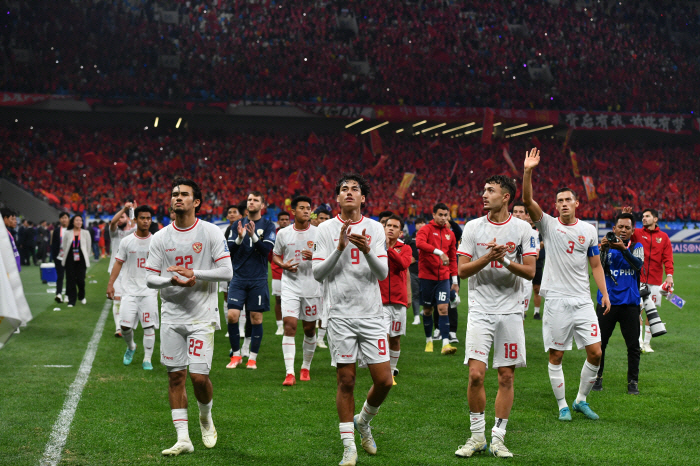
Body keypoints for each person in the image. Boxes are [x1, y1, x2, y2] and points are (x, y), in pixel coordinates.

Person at [145, 177, 232, 456]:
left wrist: (195, 275)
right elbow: (149, 278)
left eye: (183, 194)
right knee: (175, 377)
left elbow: (226, 272)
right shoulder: (160, 237)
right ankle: (183, 439)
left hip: (201, 315)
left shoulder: (210, 233)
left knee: (198, 377)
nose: (176, 198)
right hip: (171, 316)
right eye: (174, 194)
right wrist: (172, 281)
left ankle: (205, 416)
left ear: (196, 202)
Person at [523, 148, 610, 422]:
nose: (562, 203)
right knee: (557, 354)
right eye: (559, 200)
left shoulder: (589, 230)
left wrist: (604, 294)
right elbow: (527, 201)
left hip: (583, 300)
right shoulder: (548, 225)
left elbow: (595, 265)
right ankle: (562, 404)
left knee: (596, 352)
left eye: (567, 200)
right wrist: (528, 171)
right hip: (558, 300)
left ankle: (580, 400)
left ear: (576, 203)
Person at [312, 173, 392, 466]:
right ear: (337, 198)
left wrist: (367, 250)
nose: (348, 192)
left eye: (354, 189)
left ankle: (364, 420)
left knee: (384, 380)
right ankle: (349, 447)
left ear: (363, 198)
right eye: (343, 189)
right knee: (346, 380)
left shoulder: (374, 228)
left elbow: (382, 273)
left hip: (371, 314)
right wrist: (340, 248)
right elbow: (318, 274)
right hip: (340, 315)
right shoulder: (325, 229)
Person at [455, 175, 536, 458]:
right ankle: (477, 436)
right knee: (476, 374)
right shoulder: (473, 227)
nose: (484, 194)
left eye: (491, 191)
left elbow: (530, 271)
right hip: (480, 309)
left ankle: (498, 437)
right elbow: (462, 271)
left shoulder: (523, 228)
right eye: (484, 190)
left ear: (506, 197)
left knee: (506, 376)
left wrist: (504, 261)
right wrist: (488, 259)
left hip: (511, 311)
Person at [271, 196, 321, 385]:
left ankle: (305, 367)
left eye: (309, 208)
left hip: (312, 287)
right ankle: (290, 372)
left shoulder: (318, 232)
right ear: (293, 212)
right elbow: (275, 255)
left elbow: (331, 257)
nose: (306, 211)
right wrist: (283, 264)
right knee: (290, 325)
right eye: (302, 208)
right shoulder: (284, 233)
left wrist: (316, 256)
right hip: (290, 286)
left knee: (309, 329)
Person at [593, 213, 644, 395]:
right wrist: (604, 249)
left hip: (629, 304)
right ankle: (597, 378)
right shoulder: (604, 247)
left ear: (632, 230)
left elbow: (638, 265)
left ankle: (633, 382)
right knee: (600, 344)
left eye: (627, 228)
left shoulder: (637, 246)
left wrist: (623, 249)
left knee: (633, 346)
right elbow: (597, 266)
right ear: (613, 229)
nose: (623, 230)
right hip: (607, 303)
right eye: (620, 227)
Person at [225, 192, 276, 369]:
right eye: (249, 200)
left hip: (258, 278)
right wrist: (239, 238)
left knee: (256, 318)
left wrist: (254, 236)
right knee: (232, 316)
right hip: (238, 277)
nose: (251, 202)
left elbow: (266, 251)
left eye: (255, 200)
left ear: (262, 205)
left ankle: (252, 358)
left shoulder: (268, 225)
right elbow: (228, 251)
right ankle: (236, 356)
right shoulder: (237, 225)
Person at [107, 206, 159, 370]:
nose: (146, 221)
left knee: (148, 326)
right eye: (142, 218)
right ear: (135, 220)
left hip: (149, 291)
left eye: (148, 218)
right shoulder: (127, 241)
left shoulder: (156, 241)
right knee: (124, 327)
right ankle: (131, 347)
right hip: (129, 291)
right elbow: (118, 262)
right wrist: (110, 284)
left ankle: (147, 359)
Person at [626, 207, 674, 353]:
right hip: (638, 280)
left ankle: (647, 343)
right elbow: (625, 233)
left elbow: (668, 258)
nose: (644, 218)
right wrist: (627, 215)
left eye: (647, 216)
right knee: (638, 311)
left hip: (655, 281)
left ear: (655, 219)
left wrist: (670, 275)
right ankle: (639, 342)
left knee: (650, 312)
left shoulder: (664, 237)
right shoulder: (637, 233)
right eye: (643, 216)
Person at [416, 203, 459, 355]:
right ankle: (429, 340)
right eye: (440, 215)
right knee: (427, 310)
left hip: (443, 279)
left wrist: (454, 281)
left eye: (445, 215)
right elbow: (419, 243)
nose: (442, 218)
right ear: (433, 215)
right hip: (427, 277)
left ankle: (445, 344)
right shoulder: (425, 229)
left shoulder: (450, 234)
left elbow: (453, 258)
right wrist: (438, 251)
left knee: (443, 308)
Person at [378, 214, 412, 386]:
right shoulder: (376, 247)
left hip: (399, 302)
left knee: (395, 338)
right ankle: (383, 373)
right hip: (380, 301)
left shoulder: (405, 248)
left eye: (395, 226)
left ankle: (391, 372)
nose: (390, 228)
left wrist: (389, 249)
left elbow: (403, 265)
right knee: (383, 337)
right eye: (388, 225)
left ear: (400, 232)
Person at [108, 202, 137, 338]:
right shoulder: (114, 233)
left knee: (131, 299)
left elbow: (137, 223)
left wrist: (133, 211)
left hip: (131, 270)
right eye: (119, 217)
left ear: (127, 219)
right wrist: (124, 209)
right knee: (117, 299)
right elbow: (113, 221)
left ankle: (129, 323)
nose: (119, 219)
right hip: (116, 270)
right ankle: (118, 327)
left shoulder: (133, 232)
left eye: (122, 217)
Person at [512, 201, 540, 318]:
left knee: (521, 315)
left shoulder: (533, 233)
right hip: (509, 277)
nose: (518, 214)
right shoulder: (505, 230)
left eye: (521, 212)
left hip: (525, 279)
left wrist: (518, 250)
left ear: (527, 215)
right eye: (515, 212)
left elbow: (536, 256)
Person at [61, 215, 92, 307]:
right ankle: (71, 300)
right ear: (73, 222)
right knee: (70, 280)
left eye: (80, 220)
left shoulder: (86, 233)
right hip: (70, 259)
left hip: (81, 259)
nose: (79, 222)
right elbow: (64, 245)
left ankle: (81, 296)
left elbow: (88, 247)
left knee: (81, 280)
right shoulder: (67, 233)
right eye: (77, 220)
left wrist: (86, 256)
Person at [314, 207, 332, 348]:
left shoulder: (332, 234)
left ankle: (320, 338)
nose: (324, 221)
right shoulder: (311, 233)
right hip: (308, 277)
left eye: (326, 218)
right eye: (321, 218)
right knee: (314, 310)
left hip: (326, 276)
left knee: (325, 306)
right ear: (316, 219)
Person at [271, 211, 290, 336]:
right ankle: (280, 326)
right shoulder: (274, 235)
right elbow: (270, 254)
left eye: (286, 219)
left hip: (292, 273)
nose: (284, 221)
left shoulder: (293, 233)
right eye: (282, 219)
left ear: (289, 221)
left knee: (290, 300)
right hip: (277, 272)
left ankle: (289, 324)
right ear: (278, 221)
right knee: (278, 300)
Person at [407, 217, 426, 325]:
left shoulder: (429, 238)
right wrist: (409, 258)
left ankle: (424, 309)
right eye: (418, 223)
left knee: (426, 293)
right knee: (415, 294)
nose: (420, 225)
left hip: (426, 270)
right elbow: (405, 251)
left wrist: (417, 258)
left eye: (422, 223)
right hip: (413, 271)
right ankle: (416, 316)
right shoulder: (410, 239)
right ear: (415, 225)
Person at [50, 212, 70, 302]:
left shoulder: (72, 229)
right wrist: (54, 257)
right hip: (59, 257)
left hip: (70, 258)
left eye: (65, 217)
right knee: (60, 276)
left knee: (70, 277)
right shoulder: (57, 230)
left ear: (69, 219)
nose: (64, 219)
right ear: (59, 219)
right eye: (62, 218)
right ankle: (58, 294)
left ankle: (67, 295)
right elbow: (54, 245)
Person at [2, 208, 20, 272]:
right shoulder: (3, 232)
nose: (15, 221)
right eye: (12, 219)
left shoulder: (7, 231)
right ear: (5, 218)